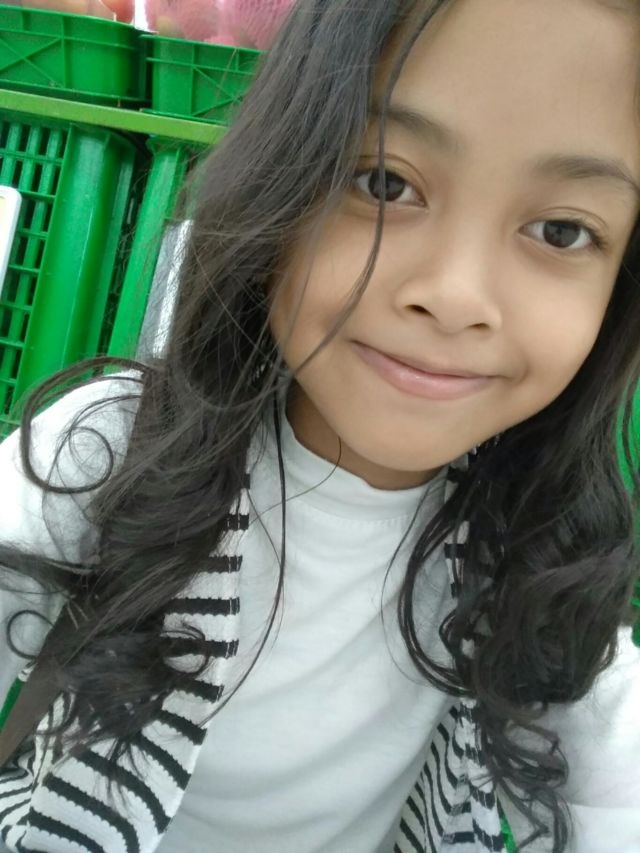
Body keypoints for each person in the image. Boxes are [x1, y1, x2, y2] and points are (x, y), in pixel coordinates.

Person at [0, 0, 639, 851]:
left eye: (560, 230)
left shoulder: (535, 555)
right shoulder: (109, 450)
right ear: (281, 184)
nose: (455, 295)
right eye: (385, 184)